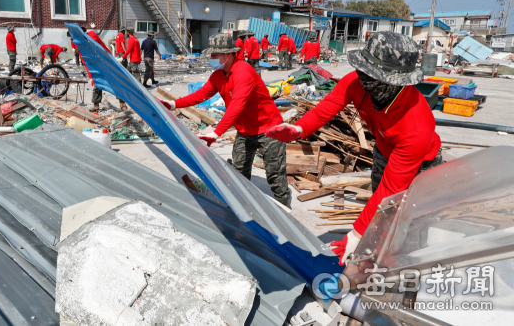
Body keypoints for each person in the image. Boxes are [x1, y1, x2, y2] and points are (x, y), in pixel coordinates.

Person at [265, 32, 443, 265]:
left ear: (395, 80)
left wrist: (356, 232)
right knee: (383, 214)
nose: (362, 76)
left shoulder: (416, 126)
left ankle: (406, 268)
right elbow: (327, 107)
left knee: (411, 222)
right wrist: (299, 130)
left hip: (421, 166)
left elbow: (391, 189)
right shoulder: (358, 82)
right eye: (362, 69)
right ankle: (376, 250)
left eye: (372, 74)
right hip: (384, 150)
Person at [157, 34, 290, 206]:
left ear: (227, 55)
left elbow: (237, 106)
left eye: (214, 56)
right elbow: (201, 95)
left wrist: (215, 133)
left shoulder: (243, 72)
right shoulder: (218, 75)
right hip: (245, 130)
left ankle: (284, 208)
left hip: (269, 128)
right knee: (239, 171)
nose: (210, 59)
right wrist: (173, 104)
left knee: (275, 174)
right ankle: (242, 205)